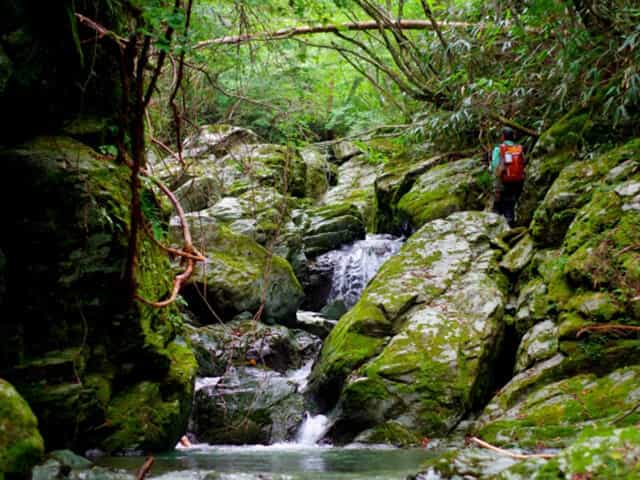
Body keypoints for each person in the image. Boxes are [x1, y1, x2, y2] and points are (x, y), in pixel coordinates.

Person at [490, 127, 526, 226]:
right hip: (518, 180)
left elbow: (495, 166)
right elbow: (523, 162)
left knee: (499, 203)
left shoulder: (499, 149)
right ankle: (510, 221)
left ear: (503, 136)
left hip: (503, 180)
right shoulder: (519, 148)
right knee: (511, 202)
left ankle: (499, 223)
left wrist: (495, 183)